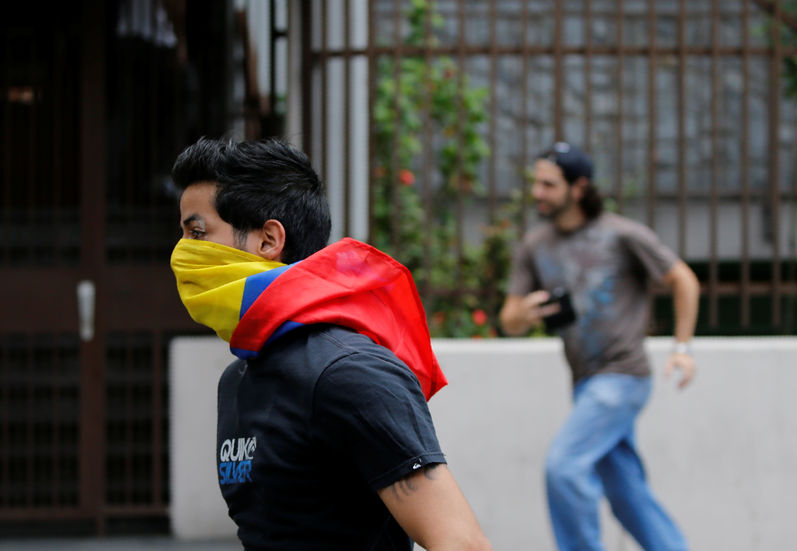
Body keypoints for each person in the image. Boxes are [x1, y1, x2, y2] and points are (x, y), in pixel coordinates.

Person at [169, 136, 492, 551]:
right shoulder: (238, 378)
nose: (182, 254)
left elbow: (462, 543)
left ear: (268, 240)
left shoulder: (349, 372)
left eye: (198, 232)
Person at [499, 142, 699, 551]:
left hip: (623, 377)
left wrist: (683, 348)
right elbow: (509, 319)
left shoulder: (623, 234)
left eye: (548, 184)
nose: (537, 192)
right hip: (585, 383)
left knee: (565, 468)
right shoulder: (536, 246)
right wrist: (530, 313)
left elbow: (684, 280)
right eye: (535, 183)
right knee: (628, 496)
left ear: (579, 187)